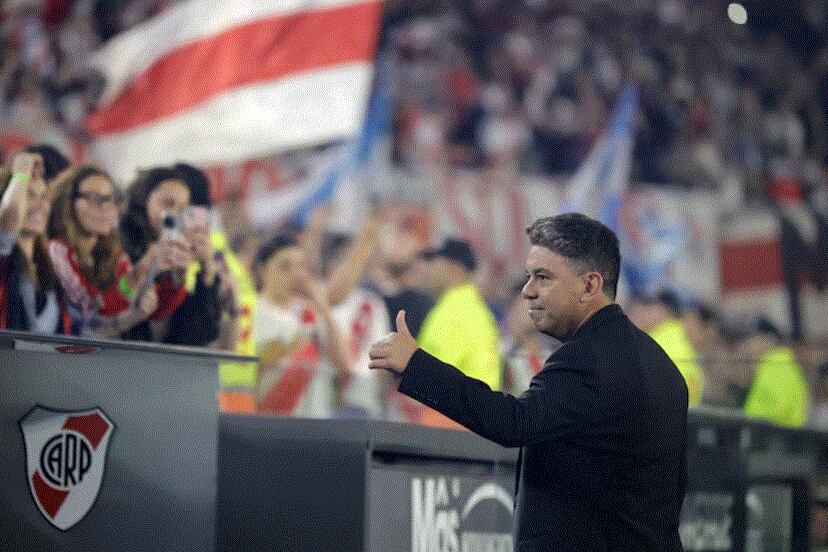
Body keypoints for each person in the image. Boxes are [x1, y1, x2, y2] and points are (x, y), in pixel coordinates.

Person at [370, 213, 688, 551]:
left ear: (590, 286)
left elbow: (515, 421)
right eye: (528, 277)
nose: (527, 291)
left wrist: (416, 366)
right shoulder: (661, 364)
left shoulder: (587, 359)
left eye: (543, 277)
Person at [47, 165, 183, 336]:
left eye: (111, 198)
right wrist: (138, 274)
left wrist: (176, 276)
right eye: (95, 198)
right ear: (68, 202)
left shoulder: (114, 254)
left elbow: (156, 311)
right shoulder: (56, 251)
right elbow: (91, 314)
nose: (106, 207)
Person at [253, 232, 351, 417]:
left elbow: (344, 365)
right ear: (263, 270)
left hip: (313, 420)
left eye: (300, 266)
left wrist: (321, 303)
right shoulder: (253, 312)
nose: (296, 274)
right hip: (267, 420)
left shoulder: (310, 314)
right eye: (285, 266)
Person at [119, 166, 220, 345]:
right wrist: (144, 270)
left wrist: (207, 276)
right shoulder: (118, 248)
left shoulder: (175, 253)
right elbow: (111, 308)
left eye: (183, 209)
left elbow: (195, 336)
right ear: (142, 201)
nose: (174, 215)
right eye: (168, 204)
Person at [416, 237, 501, 427]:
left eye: (433, 262)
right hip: (475, 418)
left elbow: (432, 377)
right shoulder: (476, 309)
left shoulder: (454, 310)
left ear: (453, 268)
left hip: (450, 422)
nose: (427, 269)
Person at [0, 153, 69, 333]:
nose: (40, 206)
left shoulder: (51, 266)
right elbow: (11, 213)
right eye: (29, 195)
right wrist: (21, 171)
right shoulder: (3, 256)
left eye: (44, 197)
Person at [629, 290, 705, 406]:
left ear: (666, 311)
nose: (637, 310)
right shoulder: (679, 342)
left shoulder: (659, 344)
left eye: (647, 304)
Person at [736, 319, 810, 428]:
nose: (748, 347)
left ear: (768, 339)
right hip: (782, 434)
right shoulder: (783, 365)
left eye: (751, 340)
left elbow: (770, 413)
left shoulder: (775, 366)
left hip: (772, 436)